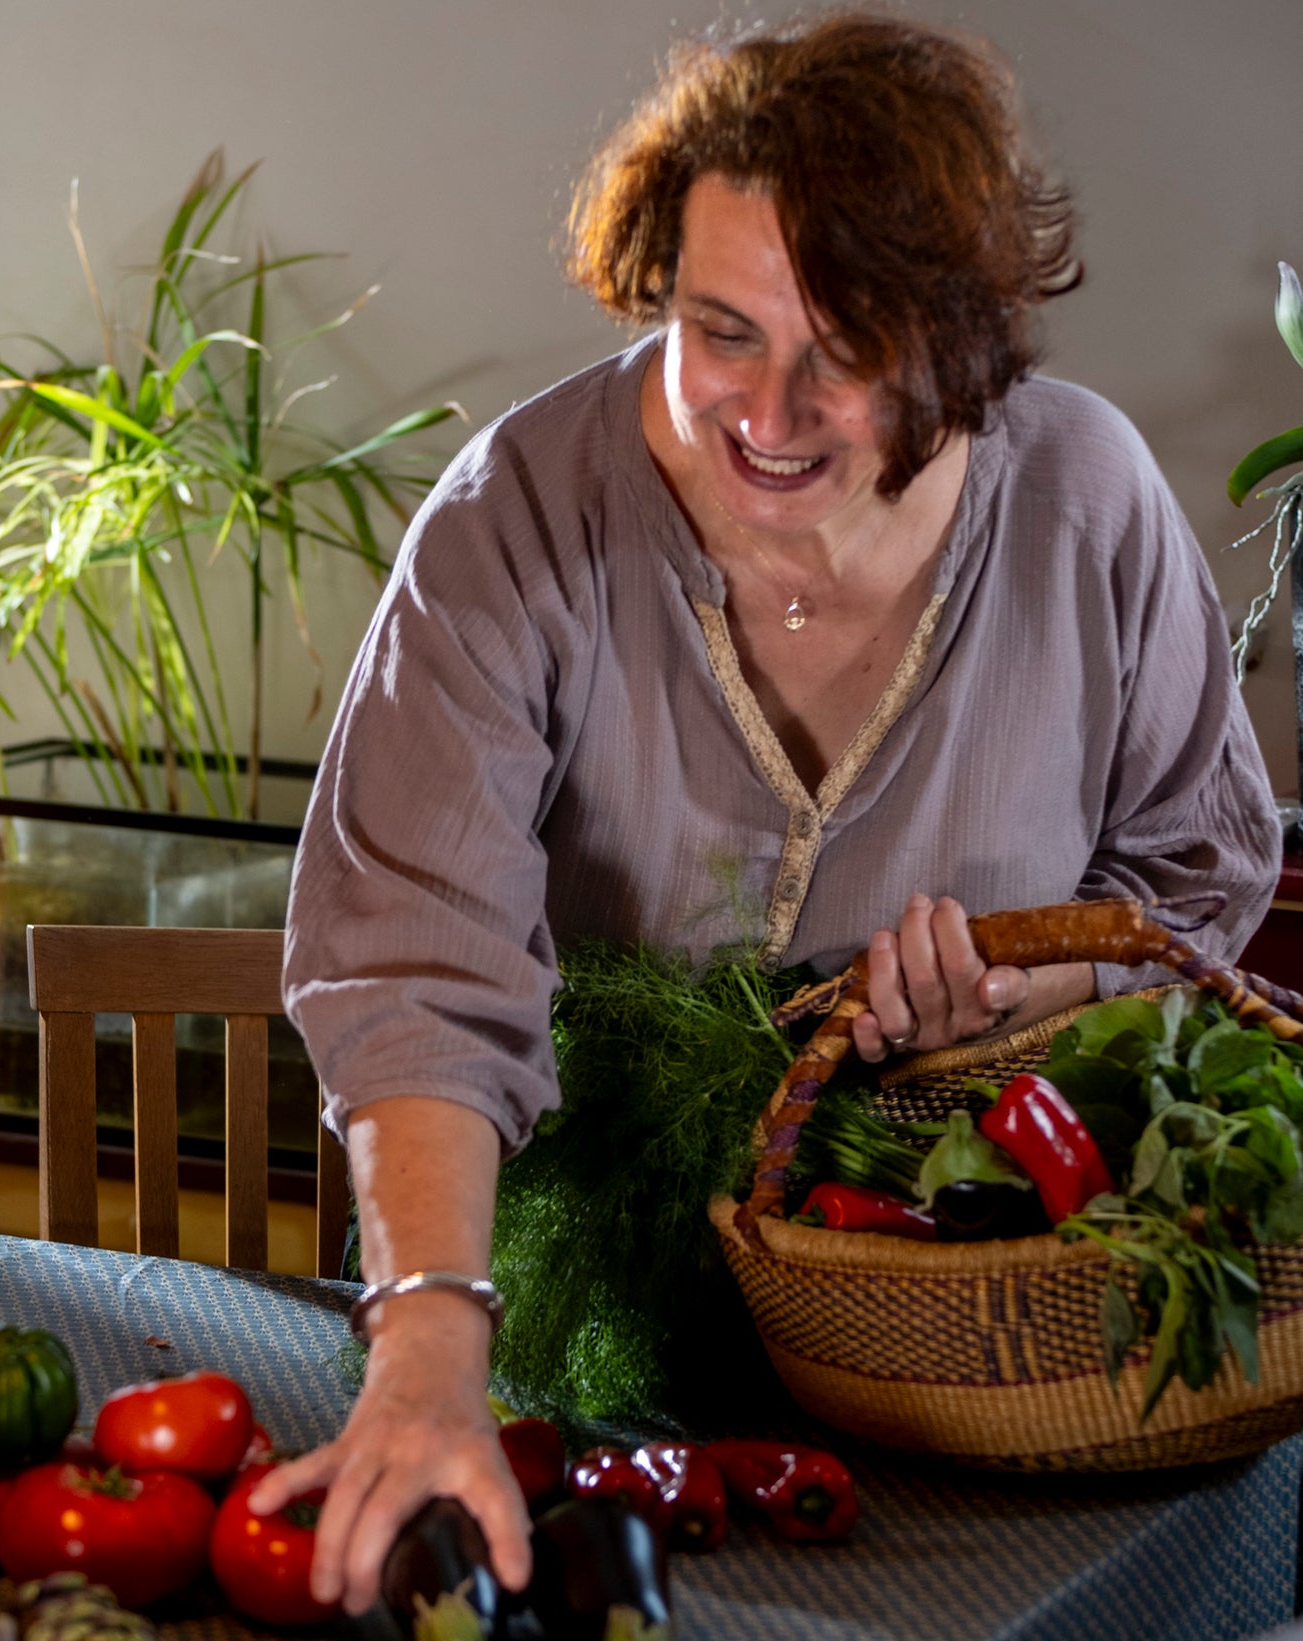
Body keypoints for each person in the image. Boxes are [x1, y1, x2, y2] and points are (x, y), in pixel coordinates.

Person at [250, 11, 1281, 1615]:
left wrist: (1037, 982)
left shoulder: (1087, 501)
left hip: (978, 1340)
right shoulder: (518, 522)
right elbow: (411, 973)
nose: (771, 414)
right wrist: (434, 1337)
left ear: (960, 335)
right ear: (658, 281)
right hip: (578, 1321)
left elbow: (1194, 872)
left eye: (847, 351)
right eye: (721, 330)